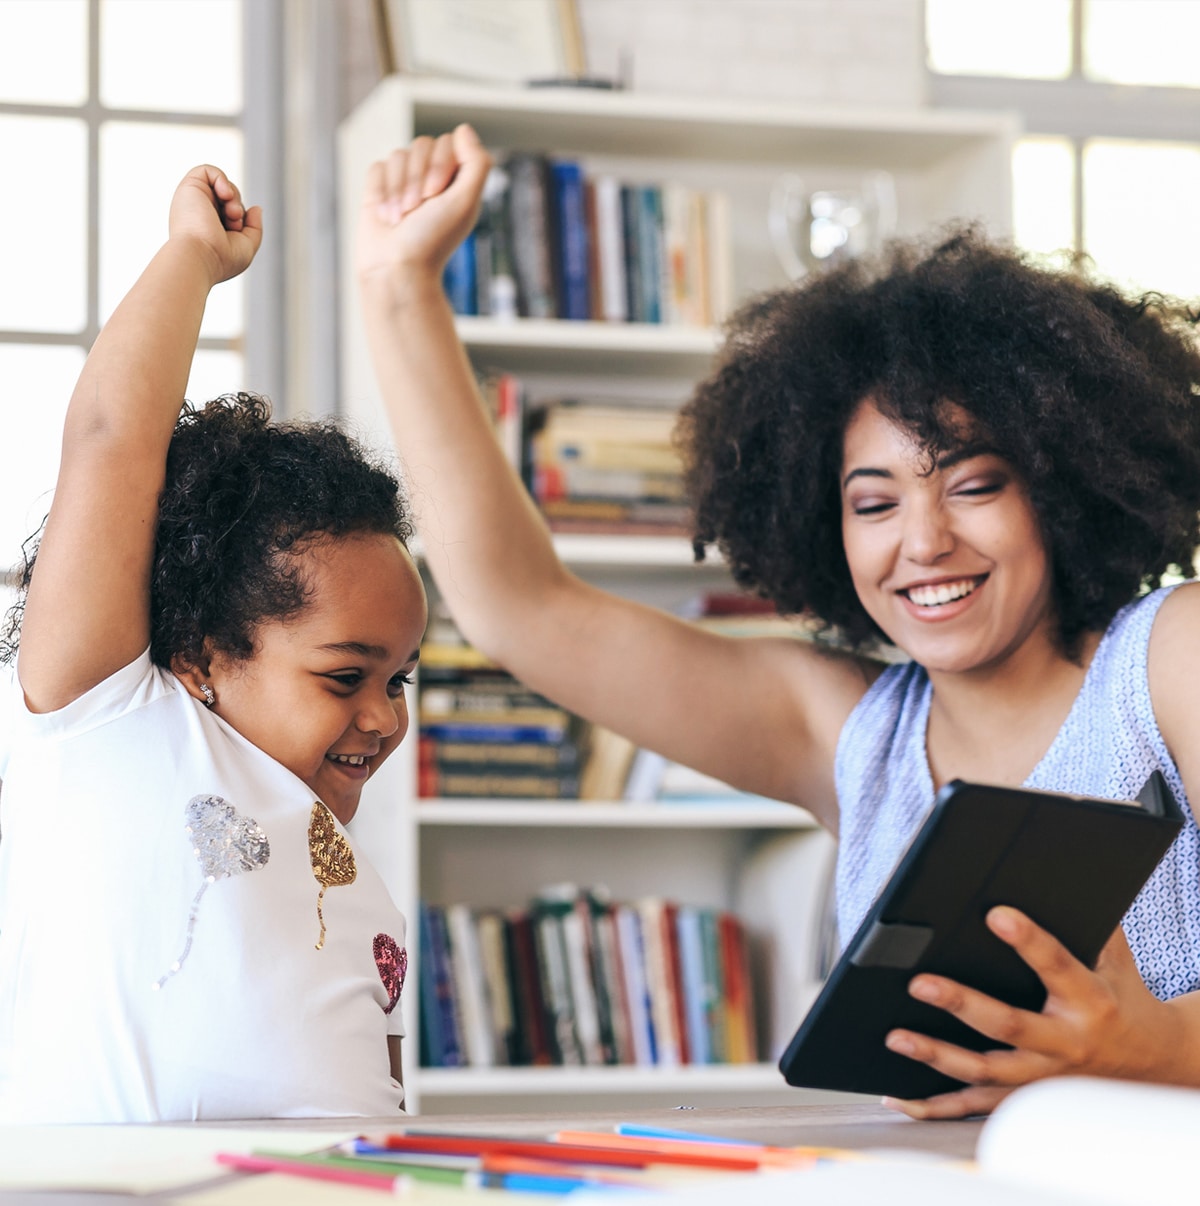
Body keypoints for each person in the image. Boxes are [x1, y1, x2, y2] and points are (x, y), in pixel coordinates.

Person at [356, 126, 1200, 1120]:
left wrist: (1154, 1046)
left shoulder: (1170, 659)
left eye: (974, 485)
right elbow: (522, 611)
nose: (923, 542)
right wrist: (398, 286)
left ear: (1061, 489)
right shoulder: (852, 736)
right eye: (874, 503)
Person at [0, 166, 427, 1122]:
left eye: (401, 677)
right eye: (346, 675)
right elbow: (111, 438)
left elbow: (387, 1112)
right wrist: (193, 257)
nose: (383, 716)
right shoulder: (107, 722)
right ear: (199, 653)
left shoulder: (361, 897)